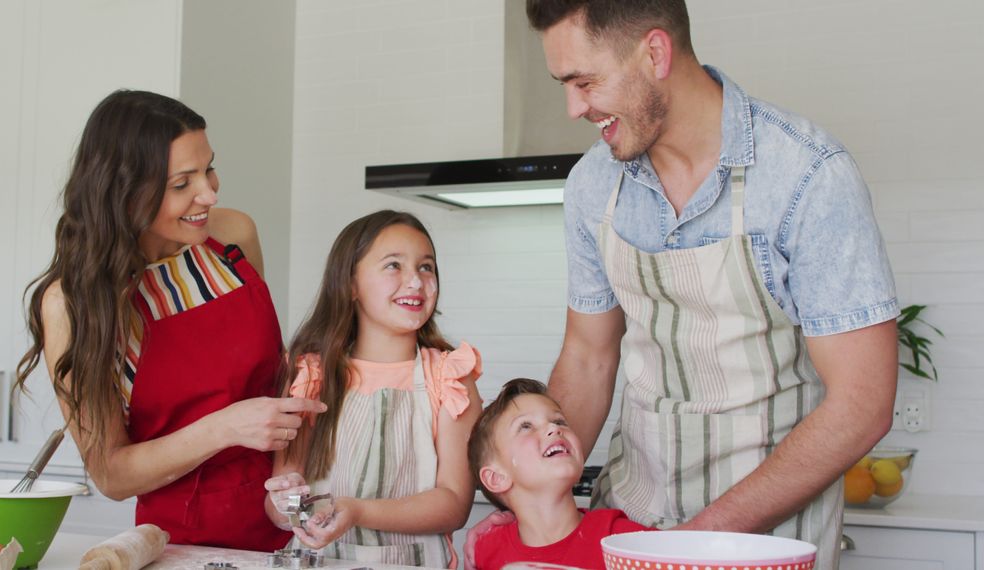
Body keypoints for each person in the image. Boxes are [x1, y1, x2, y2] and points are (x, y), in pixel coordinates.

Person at [468, 1, 900, 568]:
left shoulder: (807, 176)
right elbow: (589, 357)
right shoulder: (593, 186)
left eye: (586, 81)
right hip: (627, 520)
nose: (574, 107)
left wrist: (694, 542)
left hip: (763, 541)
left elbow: (862, 404)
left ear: (654, 53)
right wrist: (525, 501)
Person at [15, 90, 325, 551]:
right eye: (182, 183)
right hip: (182, 544)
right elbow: (111, 474)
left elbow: (275, 379)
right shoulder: (75, 304)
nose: (209, 193)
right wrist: (225, 427)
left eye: (209, 168)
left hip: (290, 511)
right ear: (124, 190)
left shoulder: (233, 235)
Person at [262, 210, 483, 568]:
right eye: (394, 265)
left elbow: (454, 503)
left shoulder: (449, 377)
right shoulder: (311, 376)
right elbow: (279, 505)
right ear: (350, 285)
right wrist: (286, 501)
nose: (415, 281)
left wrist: (357, 511)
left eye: (426, 267)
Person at [467, 378, 651, 570]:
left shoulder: (624, 541)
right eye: (526, 426)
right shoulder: (486, 551)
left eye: (559, 421)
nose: (554, 428)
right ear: (496, 478)